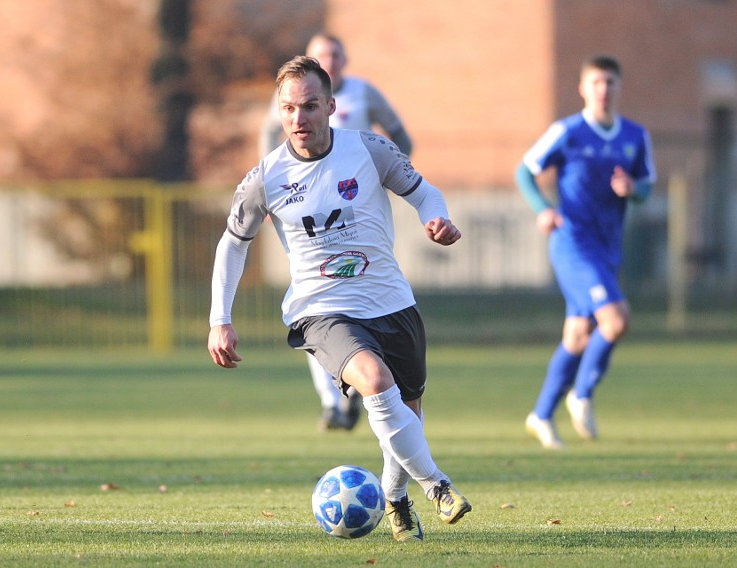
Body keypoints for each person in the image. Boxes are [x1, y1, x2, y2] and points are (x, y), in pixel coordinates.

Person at [209, 56, 471, 542]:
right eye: (288, 108)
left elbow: (424, 193)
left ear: (331, 107)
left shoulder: (369, 150)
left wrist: (436, 219)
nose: (298, 118)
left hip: (391, 301)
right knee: (374, 379)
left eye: (309, 106)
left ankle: (395, 497)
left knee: (406, 410)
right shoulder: (266, 178)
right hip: (321, 310)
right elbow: (232, 244)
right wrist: (219, 319)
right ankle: (437, 485)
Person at [260, 33, 414, 432]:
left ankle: (366, 389)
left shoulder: (365, 94)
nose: (328, 60)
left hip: (357, 210)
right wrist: (272, 193)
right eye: (321, 55)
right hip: (308, 211)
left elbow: (401, 134)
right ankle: (336, 403)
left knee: (364, 304)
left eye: (334, 54)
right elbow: (268, 140)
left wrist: (393, 174)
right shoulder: (293, 96)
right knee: (316, 305)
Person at [515, 55, 656, 449]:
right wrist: (544, 209)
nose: (603, 90)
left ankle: (541, 415)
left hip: (609, 247)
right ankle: (581, 394)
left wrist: (634, 190)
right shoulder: (569, 131)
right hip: (573, 244)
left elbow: (646, 187)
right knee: (615, 320)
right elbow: (524, 171)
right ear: (583, 88)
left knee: (578, 336)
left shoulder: (634, 136)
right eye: (596, 82)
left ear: (619, 87)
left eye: (610, 82)